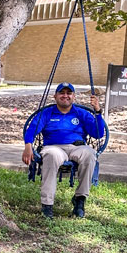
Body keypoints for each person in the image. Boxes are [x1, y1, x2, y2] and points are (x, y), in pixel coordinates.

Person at [22, 82, 105, 219]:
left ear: (74, 97)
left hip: (77, 147)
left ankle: (80, 200)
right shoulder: (47, 113)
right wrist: (28, 146)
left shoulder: (82, 113)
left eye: (69, 93)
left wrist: (97, 112)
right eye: (62, 93)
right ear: (55, 96)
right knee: (51, 155)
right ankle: (47, 205)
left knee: (89, 154)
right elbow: (32, 129)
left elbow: (98, 133)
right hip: (54, 147)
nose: (65, 96)